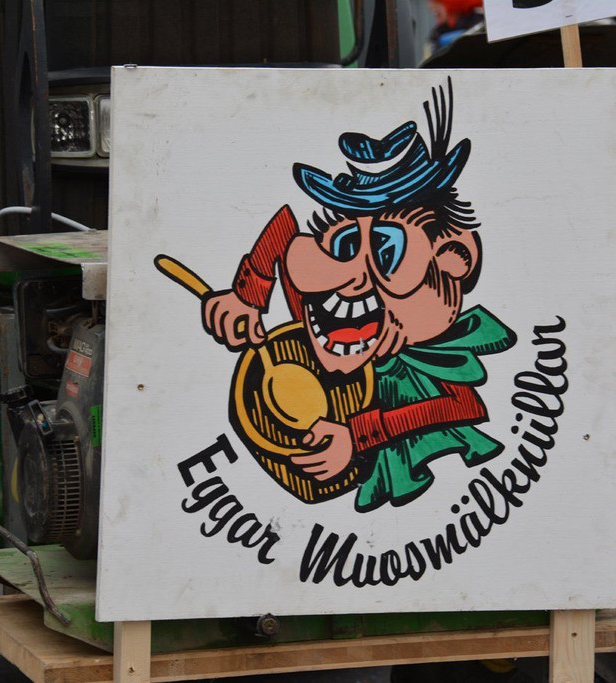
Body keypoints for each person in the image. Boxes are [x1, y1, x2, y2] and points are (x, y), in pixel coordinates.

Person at [199, 78, 516, 512]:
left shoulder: (422, 356)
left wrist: (359, 435)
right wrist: (249, 294)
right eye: (347, 244)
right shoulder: (318, 303)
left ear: (453, 256)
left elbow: (465, 403)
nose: (354, 281)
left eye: (386, 250)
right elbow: (285, 225)